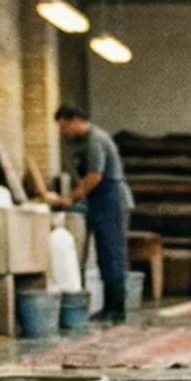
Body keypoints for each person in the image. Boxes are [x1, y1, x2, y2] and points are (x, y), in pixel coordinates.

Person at [50, 105, 134, 322]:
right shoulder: (82, 142)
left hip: (111, 197)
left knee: (112, 252)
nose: (64, 132)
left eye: (65, 126)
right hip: (99, 200)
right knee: (104, 254)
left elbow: (95, 176)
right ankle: (109, 306)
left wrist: (71, 197)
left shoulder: (96, 139)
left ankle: (117, 308)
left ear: (77, 120)